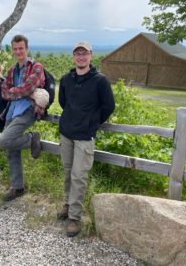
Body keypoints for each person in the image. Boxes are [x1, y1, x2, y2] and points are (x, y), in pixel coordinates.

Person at [57, 41, 115, 237]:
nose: (81, 57)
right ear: (73, 56)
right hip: (66, 133)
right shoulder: (66, 79)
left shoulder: (100, 80)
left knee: (78, 176)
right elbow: (63, 102)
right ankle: (67, 203)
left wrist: (92, 122)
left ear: (91, 55)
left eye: (85, 53)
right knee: (67, 172)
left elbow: (108, 106)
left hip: (84, 136)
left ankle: (74, 217)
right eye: (77, 53)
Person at [0, 34, 44, 202]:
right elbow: (4, 91)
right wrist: (17, 91)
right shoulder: (12, 69)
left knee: (2, 141)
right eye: (15, 49)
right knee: (11, 150)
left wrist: (14, 91)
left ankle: (31, 138)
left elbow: (28, 88)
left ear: (27, 49)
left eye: (21, 48)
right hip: (11, 111)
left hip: (28, 110)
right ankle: (18, 187)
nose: (18, 52)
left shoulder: (36, 67)